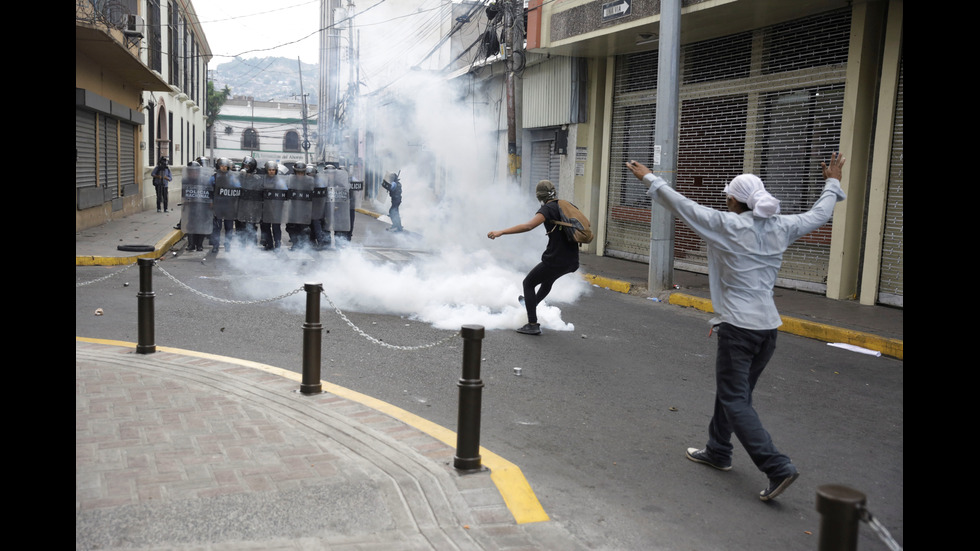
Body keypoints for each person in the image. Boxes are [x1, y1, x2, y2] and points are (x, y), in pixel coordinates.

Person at [626, 152, 847, 501]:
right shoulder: (783, 227)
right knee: (734, 394)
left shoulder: (726, 224)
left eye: (727, 195)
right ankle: (718, 450)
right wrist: (831, 181)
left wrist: (649, 178)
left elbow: (682, 205)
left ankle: (777, 467)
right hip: (767, 330)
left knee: (735, 397)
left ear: (733, 200)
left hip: (738, 329)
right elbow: (820, 214)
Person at [487, 180, 580, 335]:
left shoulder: (548, 208)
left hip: (556, 259)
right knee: (547, 281)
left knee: (528, 283)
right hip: (571, 260)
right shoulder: (565, 205)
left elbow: (528, 226)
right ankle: (531, 303)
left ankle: (532, 324)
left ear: (539, 196)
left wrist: (501, 232)